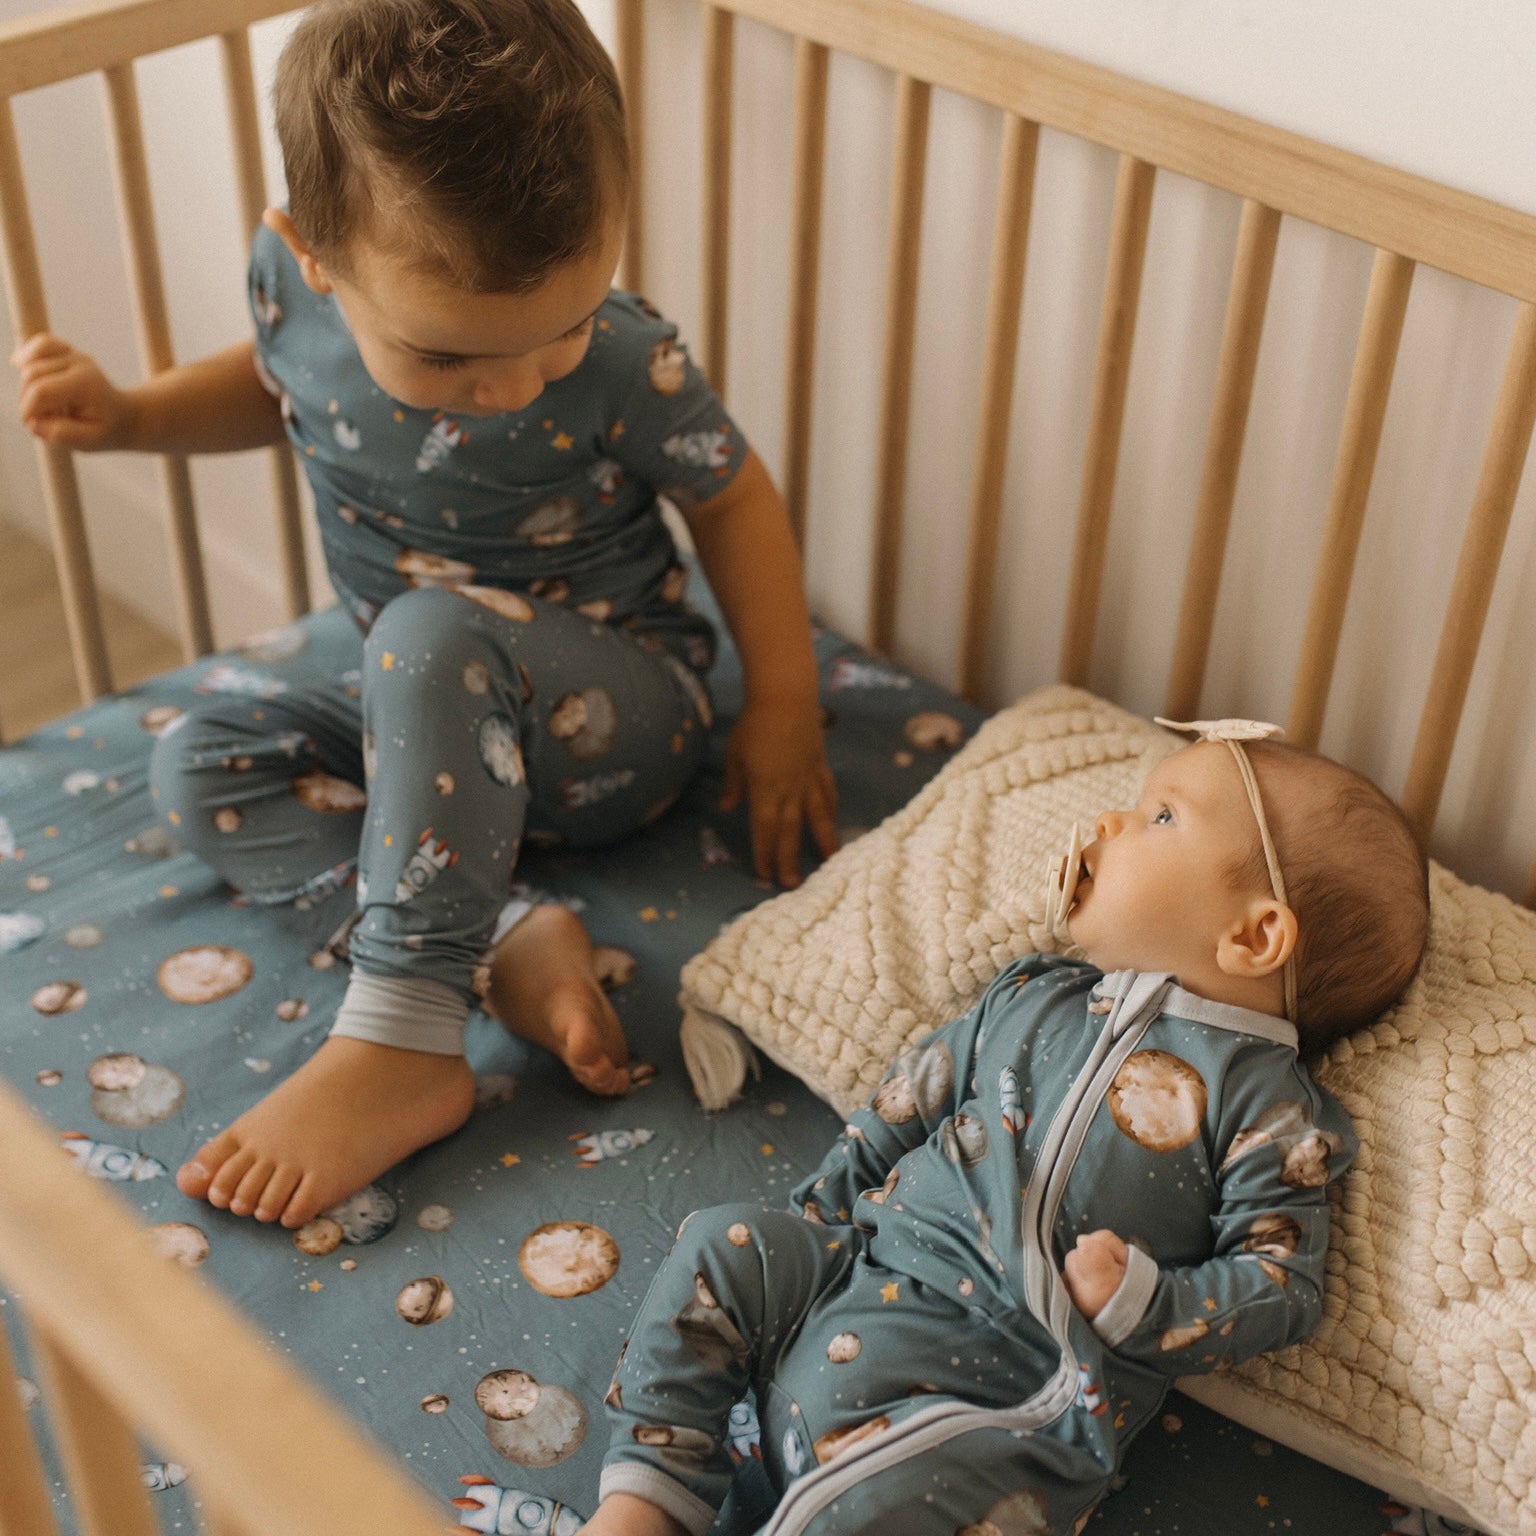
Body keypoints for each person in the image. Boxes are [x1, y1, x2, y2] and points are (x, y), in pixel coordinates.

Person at [11, 0, 837, 1231]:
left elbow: (731, 495)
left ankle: (405, 1036)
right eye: (448, 361)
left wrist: (784, 703)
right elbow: (272, 384)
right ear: (313, 260)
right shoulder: (287, 292)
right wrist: (133, 419)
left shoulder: (622, 361)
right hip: (431, 749)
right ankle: (497, 938)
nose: (512, 386)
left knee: (422, 628)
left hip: (617, 724)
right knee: (204, 766)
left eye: (561, 327)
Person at [584, 722, 1430, 1536]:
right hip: (862, 1274)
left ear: (1255, 934)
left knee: (882, 1497)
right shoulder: (1032, 994)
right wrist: (815, 1231)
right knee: (721, 1248)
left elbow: (1282, 1283)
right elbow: (899, 1109)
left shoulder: (1268, 1106)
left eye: (1162, 817)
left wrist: (1147, 1302)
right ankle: (646, 1505)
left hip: (1011, 1396)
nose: (1110, 822)